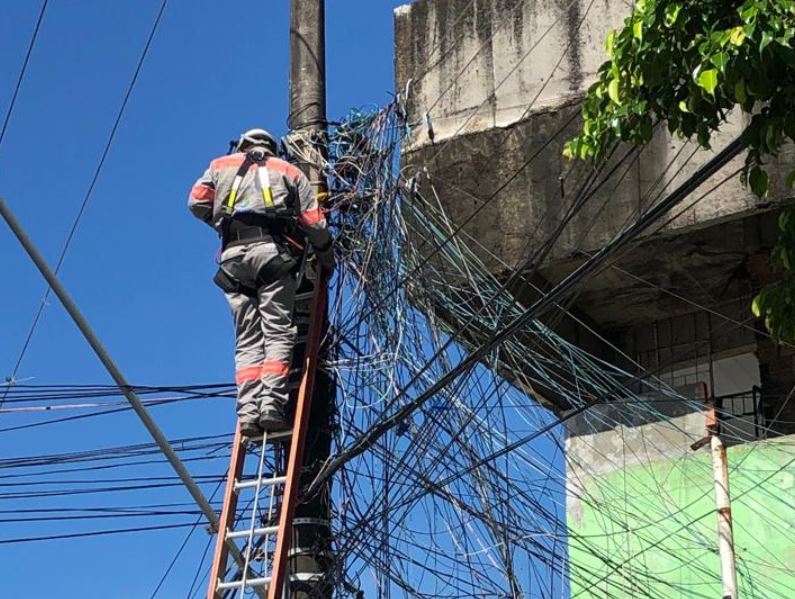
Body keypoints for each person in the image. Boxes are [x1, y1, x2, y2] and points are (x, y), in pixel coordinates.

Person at [188, 128, 333, 437]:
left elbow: (196, 202)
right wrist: (325, 254)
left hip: (232, 261)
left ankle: (248, 413)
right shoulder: (288, 170)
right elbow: (314, 222)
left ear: (242, 146)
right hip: (271, 255)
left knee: (247, 340)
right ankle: (271, 405)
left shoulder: (220, 165)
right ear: (272, 148)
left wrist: (221, 222)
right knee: (278, 333)